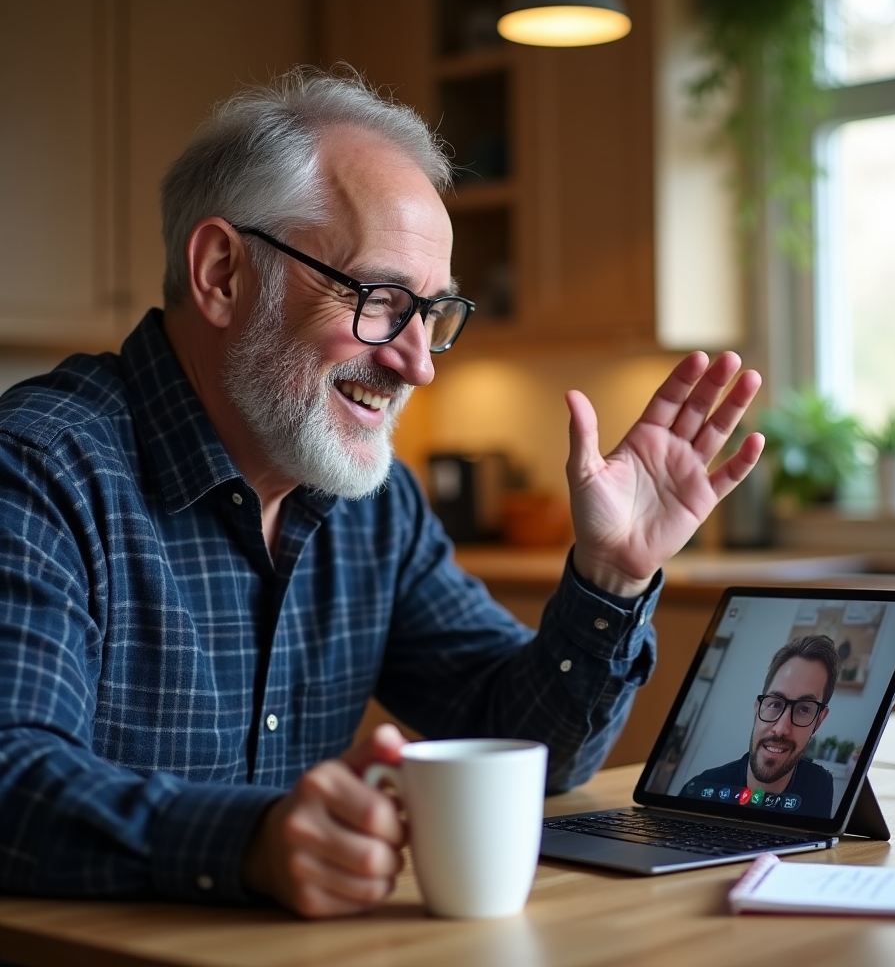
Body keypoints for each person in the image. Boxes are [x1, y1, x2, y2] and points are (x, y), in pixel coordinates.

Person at [0, 67, 763, 918]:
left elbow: (524, 746)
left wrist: (610, 576)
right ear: (221, 274)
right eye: (379, 298)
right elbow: (11, 775)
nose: (419, 363)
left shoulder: (374, 505)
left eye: (431, 312)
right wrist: (248, 842)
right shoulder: (37, 470)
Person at [680, 635, 838, 817]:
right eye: (775, 704)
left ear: (818, 721)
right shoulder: (699, 792)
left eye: (804, 709)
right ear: (757, 709)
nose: (781, 729)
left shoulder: (820, 785)